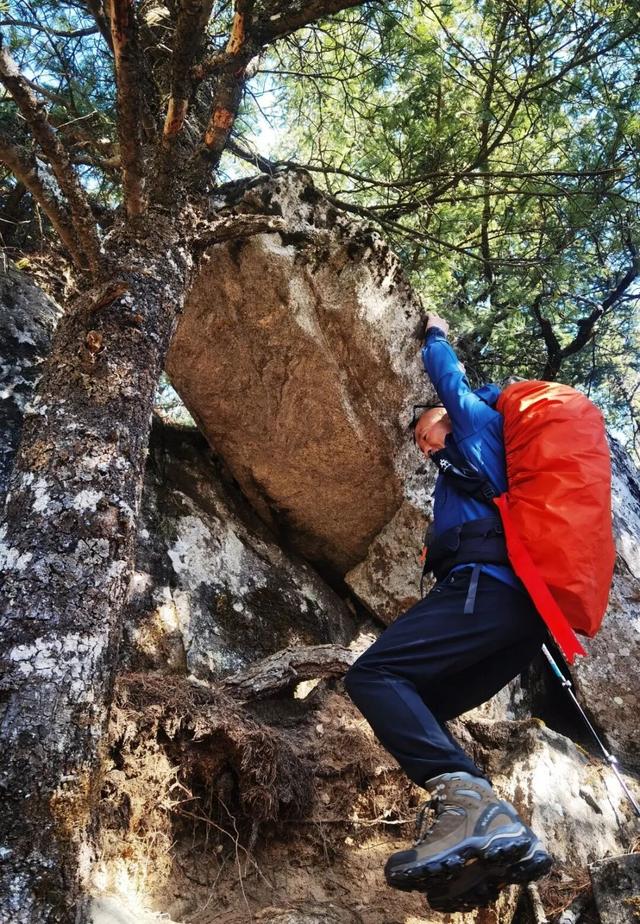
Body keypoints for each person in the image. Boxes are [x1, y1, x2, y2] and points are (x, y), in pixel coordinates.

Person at [344, 312, 553, 912]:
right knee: (419, 708)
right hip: (519, 619)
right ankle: (484, 850)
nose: (423, 441)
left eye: (425, 428)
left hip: (487, 590)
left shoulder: (481, 427)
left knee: (373, 675)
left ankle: (474, 806)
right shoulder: (466, 473)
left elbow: (451, 382)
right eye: (419, 440)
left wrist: (434, 335)